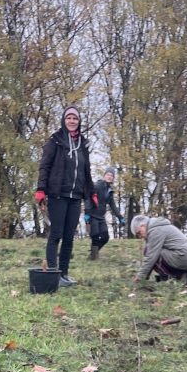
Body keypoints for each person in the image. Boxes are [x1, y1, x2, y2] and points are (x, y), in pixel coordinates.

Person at [36, 106, 95, 287]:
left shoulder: (82, 144)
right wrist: (41, 189)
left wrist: (91, 192)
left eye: (75, 118)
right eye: (68, 118)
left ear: (79, 122)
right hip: (58, 194)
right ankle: (53, 274)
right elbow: (45, 166)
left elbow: (86, 170)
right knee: (56, 234)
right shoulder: (55, 141)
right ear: (64, 120)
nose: (72, 121)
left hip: (75, 196)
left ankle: (64, 273)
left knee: (70, 236)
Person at [131, 213, 187, 284]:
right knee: (153, 252)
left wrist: (140, 277)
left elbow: (151, 257)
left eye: (139, 233)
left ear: (143, 226)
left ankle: (170, 277)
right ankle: (182, 275)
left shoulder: (155, 231)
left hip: (183, 256)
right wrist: (145, 276)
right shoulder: (159, 226)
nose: (140, 236)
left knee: (150, 252)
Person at [86, 168, 124, 259]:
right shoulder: (98, 185)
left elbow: (113, 205)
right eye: (108, 175)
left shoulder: (109, 190)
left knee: (105, 237)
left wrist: (120, 217)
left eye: (111, 176)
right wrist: (87, 213)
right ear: (104, 176)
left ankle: (93, 254)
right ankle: (93, 257)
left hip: (101, 216)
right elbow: (88, 197)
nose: (109, 177)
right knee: (95, 235)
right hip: (93, 214)